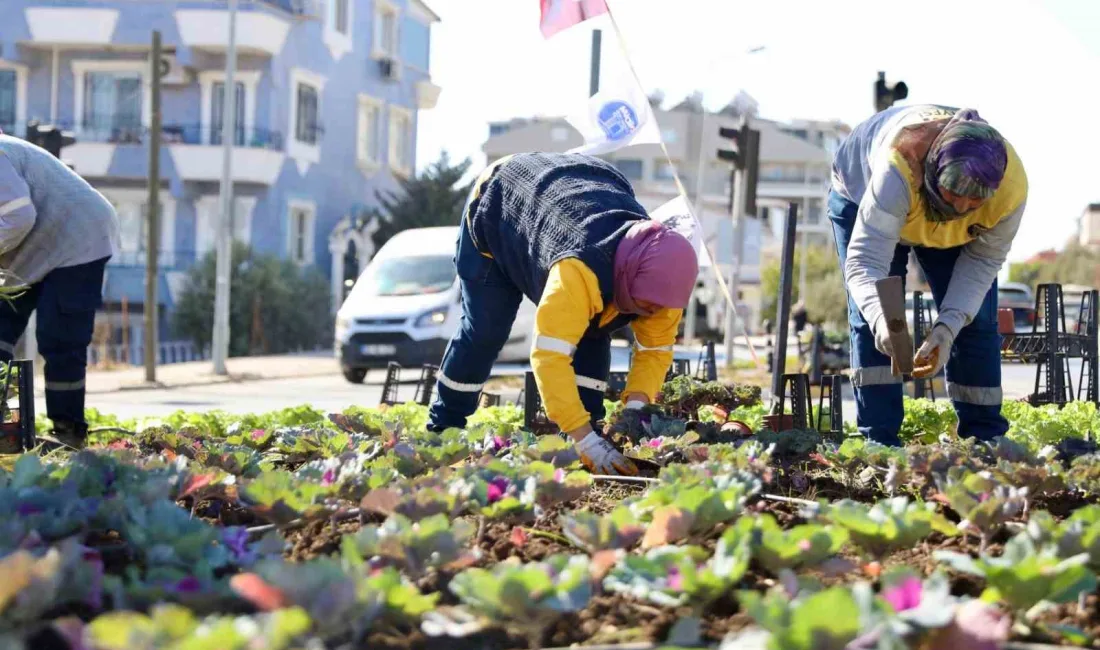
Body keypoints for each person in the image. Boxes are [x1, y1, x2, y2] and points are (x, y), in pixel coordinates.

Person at [427, 152, 699, 475]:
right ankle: (442, 430)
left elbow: (654, 352)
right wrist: (585, 440)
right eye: (647, 305)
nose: (652, 313)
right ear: (629, 277)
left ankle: (577, 442)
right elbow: (549, 358)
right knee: (486, 330)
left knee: (594, 331)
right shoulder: (578, 271)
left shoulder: (665, 283)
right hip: (500, 201)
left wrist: (636, 411)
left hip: (586, 185)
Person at [830, 105, 1026, 445]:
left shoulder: (1010, 191)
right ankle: (880, 441)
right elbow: (865, 263)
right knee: (874, 320)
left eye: (974, 199)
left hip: (930, 209)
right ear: (935, 169)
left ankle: (985, 436)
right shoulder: (898, 169)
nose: (962, 207)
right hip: (863, 193)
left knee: (975, 319)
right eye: (954, 193)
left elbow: (981, 264)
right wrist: (882, 320)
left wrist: (947, 329)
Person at [0, 132, 119, 453]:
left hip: (76, 238)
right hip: (30, 252)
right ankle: (6, 429)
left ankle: (68, 432)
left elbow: (19, 215)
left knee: (59, 338)